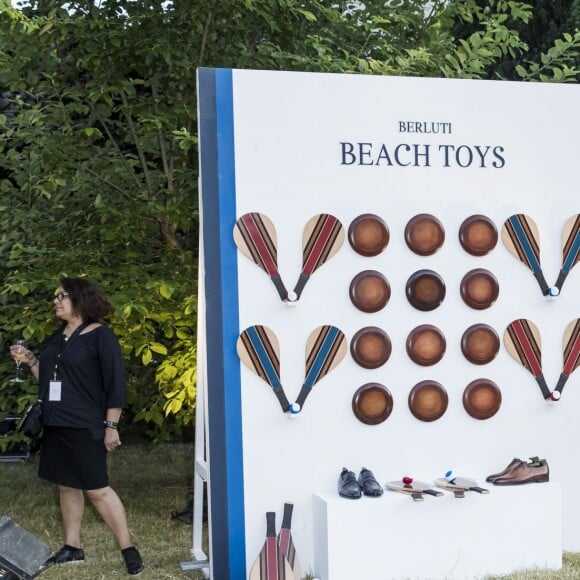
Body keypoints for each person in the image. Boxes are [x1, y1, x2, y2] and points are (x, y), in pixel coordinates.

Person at [9, 277, 144, 576]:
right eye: (56, 296)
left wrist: (112, 425)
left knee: (98, 489)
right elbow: (49, 379)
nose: (56, 301)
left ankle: (127, 548)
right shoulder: (59, 337)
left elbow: (115, 386)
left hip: (85, 424)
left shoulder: (101, 336)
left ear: (81, 300)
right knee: (66, 485)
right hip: (56, 423)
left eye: (62, 296)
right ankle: (73, 547)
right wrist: (31, 360)